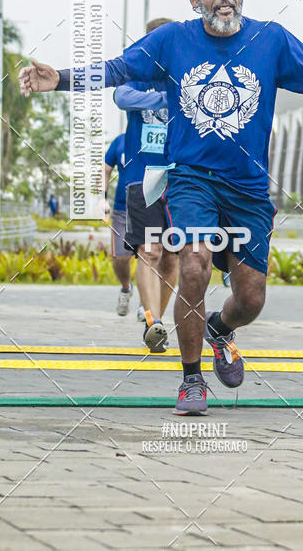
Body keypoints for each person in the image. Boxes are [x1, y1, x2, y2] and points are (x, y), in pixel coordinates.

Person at [18, 0, 303, 416]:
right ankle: (192, 380)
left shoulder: (270, 40)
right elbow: (117, 70)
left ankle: (221, 329)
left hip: (248, 188)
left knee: (250, 298)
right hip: (192, 179)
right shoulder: (171, 41)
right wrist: (61, 79)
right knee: (194, 266)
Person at [114, 18, 179, 353]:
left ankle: (158, 326)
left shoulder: (186, 74)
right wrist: (164, 100)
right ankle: (152, 320)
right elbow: (121, 97)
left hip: (181, 179)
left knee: (173, 258)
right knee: (149, 252)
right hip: (144, 178)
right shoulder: (138, 74)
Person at [104, 132, 136, 316]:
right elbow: (106, 168)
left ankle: (148, 308)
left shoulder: (158, 135)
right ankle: (126, 288)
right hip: (122, 209)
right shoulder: (120, 141)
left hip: (151, 207)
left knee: (151, 257)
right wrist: (103, 198)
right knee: (120, 258)